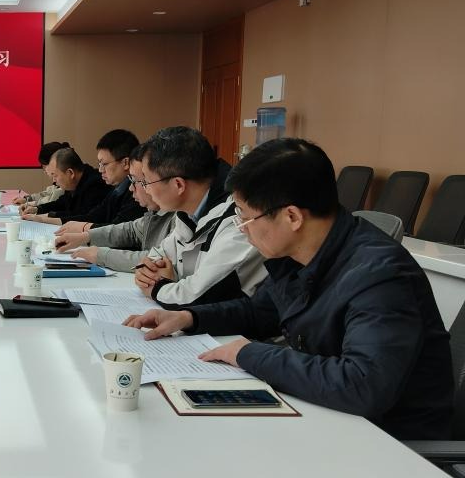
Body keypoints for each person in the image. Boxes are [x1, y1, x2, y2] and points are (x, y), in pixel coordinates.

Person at [124, 138, 452, 440]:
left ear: (292, 216)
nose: (242, 230)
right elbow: (259, 311)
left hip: (390, 441)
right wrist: (188, 318)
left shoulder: (380, 275)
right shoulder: (303, 252)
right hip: (331, 417)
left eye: (245, 219)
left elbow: (362, 384)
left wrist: (248, 353)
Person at [131, 126, 266, 308]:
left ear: (178, 185)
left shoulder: (241, 219)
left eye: (146, 181)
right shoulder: (188, 212)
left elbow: (199, 296)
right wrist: (147, 271)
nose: (145, 189)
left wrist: (156, 288)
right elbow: (159, 254)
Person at [53, 151, 175, 271]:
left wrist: (100, 255)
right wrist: (86, 237)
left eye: (141, 181)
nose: (131, 188)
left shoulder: (178, 217)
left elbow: (157, 259)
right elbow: (131, 231)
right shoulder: (156, 211)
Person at [39, 131, 145, 227]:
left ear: (125, 163)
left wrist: (83, 231)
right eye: (99, 164)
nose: (100, 170)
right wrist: (44, 218)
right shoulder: (117, 189)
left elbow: (118, 231)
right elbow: (93, 216)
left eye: (104, 164)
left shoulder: (137, 193)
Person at [23, 147, 111, 223]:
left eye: (55, 175)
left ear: (70, 173)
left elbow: (83, 216)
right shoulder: (74, 182)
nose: (54, 181)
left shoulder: (96, 184)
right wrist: (38, 209)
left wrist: (45, 218)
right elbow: (62, 203)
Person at [13, 141, 68, 208]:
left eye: (45, 166)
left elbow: (51, 202)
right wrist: (28, 199)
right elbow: (48, 193)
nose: (44, 170)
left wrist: (30, 203)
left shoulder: (64, 183)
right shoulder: (59, 181)